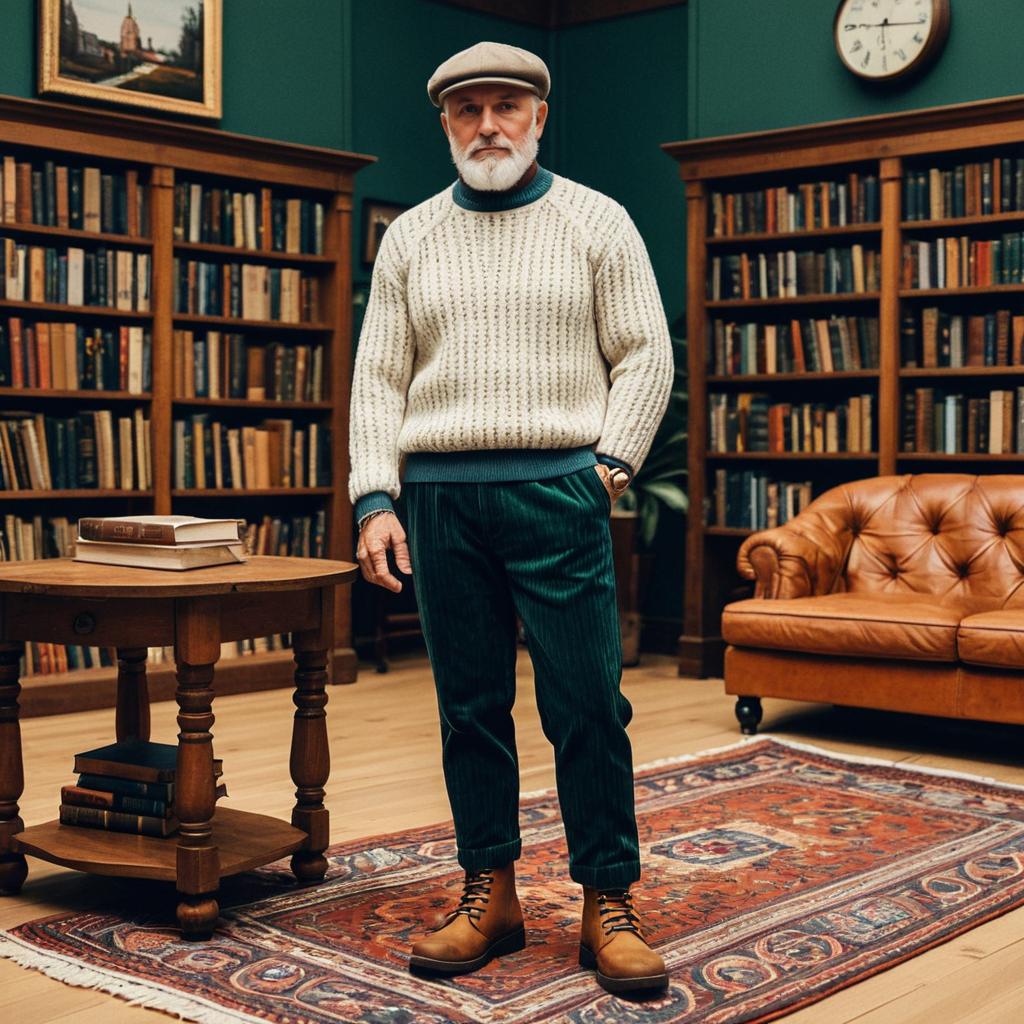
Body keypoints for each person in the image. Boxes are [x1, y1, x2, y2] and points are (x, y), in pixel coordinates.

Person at [348, 40, 674, 995]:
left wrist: (608, 466)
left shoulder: (596, 221)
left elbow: (645, 354)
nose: (487, 125)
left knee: (587, 706)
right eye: (467, 110)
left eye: (506, 107)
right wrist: (376, 496)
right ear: (444, 121)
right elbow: (378, 375)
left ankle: (607, 899)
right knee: (468, 709)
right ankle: (488, 891)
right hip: (441, 499)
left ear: (539, 116)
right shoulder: (409, 236)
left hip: (559, 491)